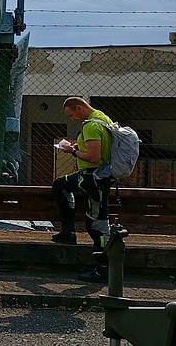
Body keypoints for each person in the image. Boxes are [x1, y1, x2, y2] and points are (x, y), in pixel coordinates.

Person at [52, 96, 114, 283]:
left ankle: (104, 269)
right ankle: (67, 233)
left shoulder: (91, 126)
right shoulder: (102, 118)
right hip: (94, 176)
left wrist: (73, 151)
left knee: (97, 224)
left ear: (79, 108)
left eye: (71, 115)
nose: (72, 119)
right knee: (60, 185)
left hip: (94, 177)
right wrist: (78, 146)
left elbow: (94, 157)